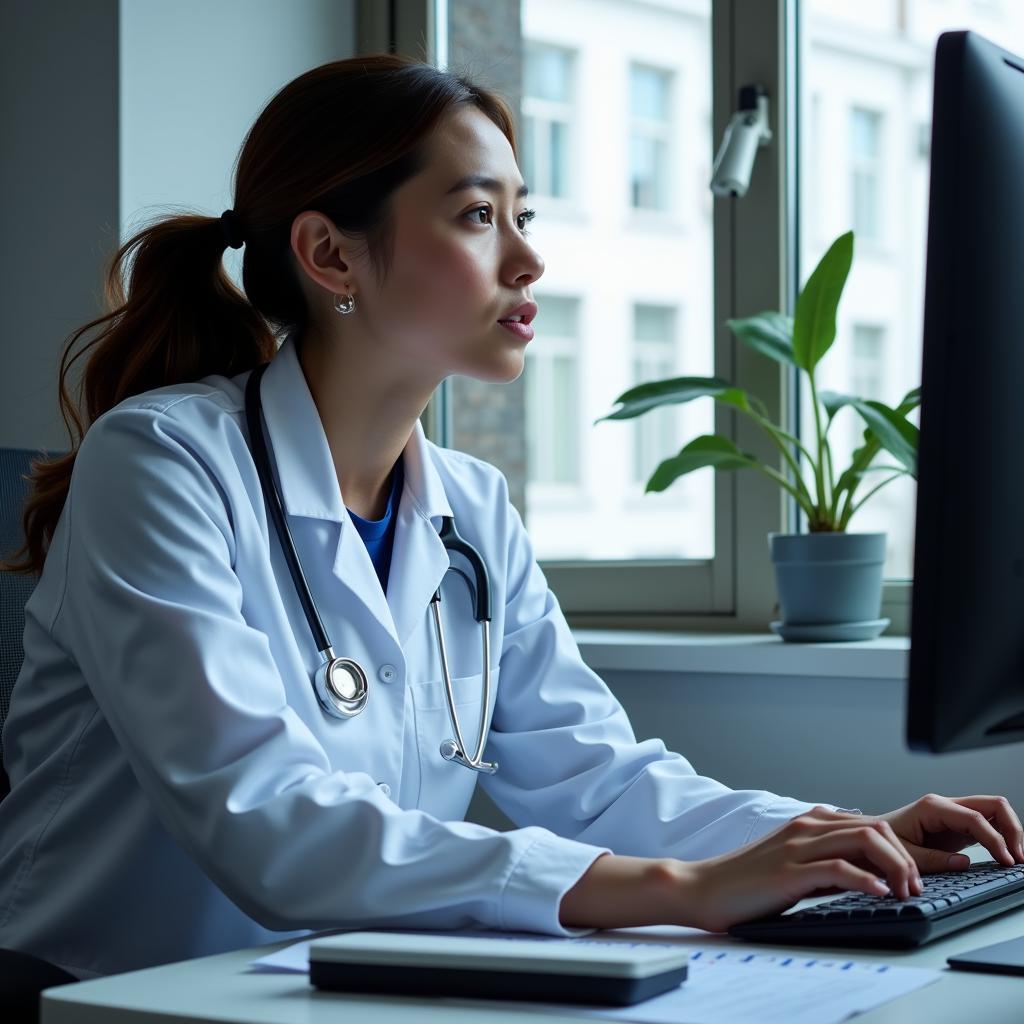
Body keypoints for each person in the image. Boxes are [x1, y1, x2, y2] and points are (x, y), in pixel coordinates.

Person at [0, 52, 1020, 984]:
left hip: (323, 985)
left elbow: (594, 776)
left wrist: (832, 837)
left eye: (521, 215)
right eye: (479, 216)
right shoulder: (161, 462)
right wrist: (683, 889)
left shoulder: (470, 507)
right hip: (108, 988)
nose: (528, 260)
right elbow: (269, 823)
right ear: (331, 254)